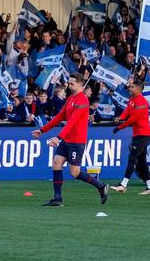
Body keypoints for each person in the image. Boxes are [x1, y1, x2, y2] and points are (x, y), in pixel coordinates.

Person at [32, 73, 109, 207]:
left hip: (77, 142)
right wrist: (43, 130)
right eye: (69, 83)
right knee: (56, 163)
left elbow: (72, 122)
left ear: (80, 84)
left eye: (72, 84)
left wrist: (58, 137)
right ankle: (57, 198)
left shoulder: (83, 100)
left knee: (75, 172)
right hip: (67, 139)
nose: (69, 85)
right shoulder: (71, 98)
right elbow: (60, 116)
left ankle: (101, 186)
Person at [109, 81, 150, 196]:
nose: (129, 88)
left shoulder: (141, 101)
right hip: (139, 135)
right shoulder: (132, 100)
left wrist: (120, 127)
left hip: (143, 135)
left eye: (132, 87)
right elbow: (127, 112)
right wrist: (119, 118)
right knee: (142, 162)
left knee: (133, 159)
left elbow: (133, 119)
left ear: (139, 89)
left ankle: (123, 185)